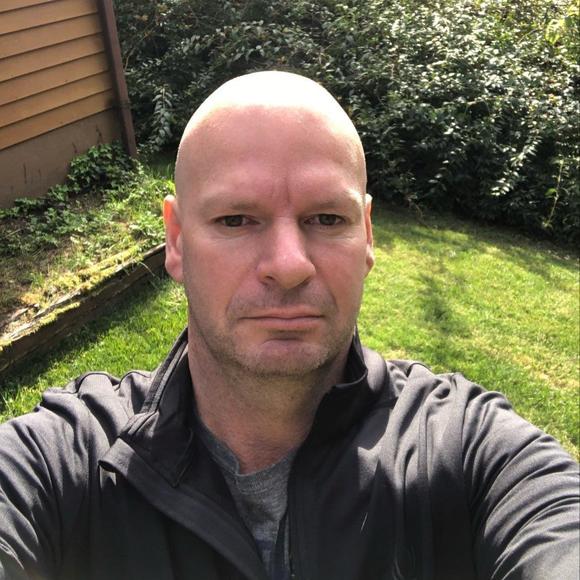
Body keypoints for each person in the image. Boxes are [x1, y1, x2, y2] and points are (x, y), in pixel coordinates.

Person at [0, 71, 578, 580]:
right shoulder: (60, 462)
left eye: (326, 218)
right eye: (236, 219)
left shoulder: (473, 455)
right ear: (176, 240)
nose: (289, 264)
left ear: (366, 235)